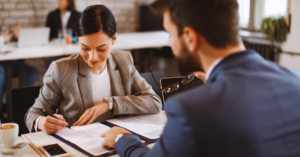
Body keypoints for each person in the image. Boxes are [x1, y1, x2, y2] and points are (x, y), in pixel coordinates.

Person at [101, 0, 300, 156]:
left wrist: (122, 139)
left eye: (170, 34)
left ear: (189, 37)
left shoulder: (190, 109)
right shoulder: (295, 81)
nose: (169, 42)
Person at [25, 5, 162, 135]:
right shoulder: (61, 69)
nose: (92, 57)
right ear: (78, 37)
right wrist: (41, 122)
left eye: (101, 48)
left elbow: (154, 102)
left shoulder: (123, 60)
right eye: (85, 48)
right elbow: (33, 114)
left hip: (117, 142)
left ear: (114, 39)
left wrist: (110, 103)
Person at [0, 25, 39, 115]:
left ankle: (12, 102)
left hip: (9, 61)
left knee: (33, 73)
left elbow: (5, 43)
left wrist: (13, 38)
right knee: (2, 72)